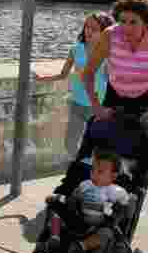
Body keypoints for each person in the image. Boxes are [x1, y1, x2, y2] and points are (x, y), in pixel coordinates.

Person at [81, 0, 148, 160]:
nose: (126, 27)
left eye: (133, 22)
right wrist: (96, 105)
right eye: (122, 21)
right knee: (98, 151)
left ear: (146, 22)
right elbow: (88, 72)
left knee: (143, 159)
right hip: (116, 96)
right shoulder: (110, 35)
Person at [29, 149, 130, 253]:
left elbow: (125, 206)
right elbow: (72, 199)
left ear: (113, 176)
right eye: (92, 170)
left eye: (100, 172)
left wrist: (117, 211)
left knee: (107, 234)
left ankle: (81, 246)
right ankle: (54, 238)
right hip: (79, 219)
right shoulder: (85, 185)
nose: (94, 174)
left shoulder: (116, 191)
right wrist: (58, 198)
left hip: (98, 225)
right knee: (56, 214)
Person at [39, 12, 115, 157]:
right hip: (77, 104)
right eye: (87, 27)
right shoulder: (76, 49)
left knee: (97, 145)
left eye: (94, 29)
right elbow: (63, 74)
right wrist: (44, 78)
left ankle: (91, 172)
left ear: (104, 32)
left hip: (98, 106)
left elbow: (112, 80)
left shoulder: (108, 53)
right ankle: (83, 167)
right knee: (70, 144)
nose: (88, 31)